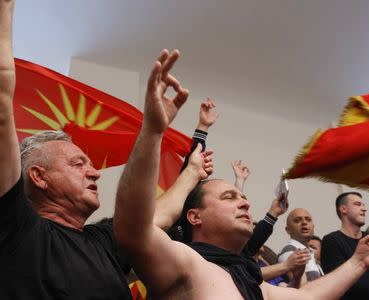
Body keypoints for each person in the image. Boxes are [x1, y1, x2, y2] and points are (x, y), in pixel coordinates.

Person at [114, 49, 369, 300]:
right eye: (230, 197)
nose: (246, 203)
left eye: (243, 198)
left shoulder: (252, 283)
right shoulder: (181, 261)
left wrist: (359, 262)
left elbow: (309, 296)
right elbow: (133, 227)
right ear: (195, 216)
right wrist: (153, 131)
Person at [0, 2, 212, 298]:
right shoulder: (16, 228)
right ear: (38, 176)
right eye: (77, 164)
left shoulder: (104, 243)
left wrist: (187, 168)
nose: (95, 173)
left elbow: (158, 213)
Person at [278, 208, 323, 287]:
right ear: (288, 230)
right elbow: (301, 288)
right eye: (297, 220)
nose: (304, 222)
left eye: (308, 220)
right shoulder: (290, 250)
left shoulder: (311, 252)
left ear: (313, 226)